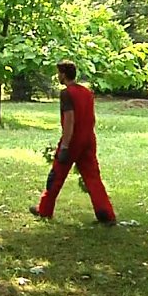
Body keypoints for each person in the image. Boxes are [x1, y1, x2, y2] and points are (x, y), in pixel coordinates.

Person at [30, 61, 117, 225]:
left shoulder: (66, 94)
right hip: (89, 139)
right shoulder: (87, 92)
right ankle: (105, 213)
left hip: (73, 140)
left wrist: (65, 146)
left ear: (63, 75)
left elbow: (69, 120)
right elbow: (91, 117)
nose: (58, 76)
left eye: (59, 73)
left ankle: (44, 209)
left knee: (56, 175)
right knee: (93, 177)